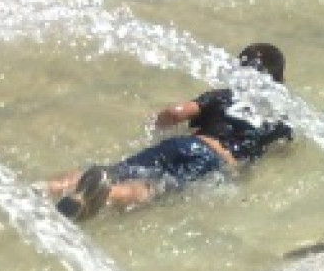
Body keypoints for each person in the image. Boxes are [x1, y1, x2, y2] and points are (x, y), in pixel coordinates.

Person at [51, 44, 294, 221]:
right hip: (213, 161)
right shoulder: (278, 119)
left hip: (184, 144)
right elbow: (279, 151)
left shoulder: (226, 95)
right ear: (280, 80)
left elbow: (175, 113)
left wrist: (156, 129)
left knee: (117, 169)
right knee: (153, 188)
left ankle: (49, 188)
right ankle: (108, 195)